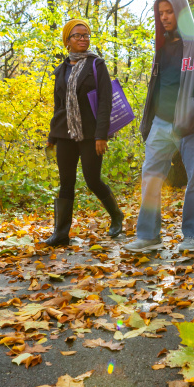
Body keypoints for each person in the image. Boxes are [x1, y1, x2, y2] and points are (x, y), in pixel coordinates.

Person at [124, 0, 194, 254]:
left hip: (192, 125)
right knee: (150, 178)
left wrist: (190, 117)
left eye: (169, 12)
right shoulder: (161, 43)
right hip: (160, 124)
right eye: (160, 13)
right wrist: (150, 120)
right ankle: (149, 235)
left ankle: (193, 235)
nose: (164, 17)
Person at [44, 19, 124, 246]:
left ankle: (116, 215)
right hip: (65, 133)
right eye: (77, 35)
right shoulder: (61, 70)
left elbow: (105, 102)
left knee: (92, 179)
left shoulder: (96, 65)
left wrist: (101, 136)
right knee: (66, 181)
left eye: (86, 35)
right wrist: (52, 136)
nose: (83, 39)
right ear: (67, 40)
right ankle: (61, 233)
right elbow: (58, 106)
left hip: (91, 134)